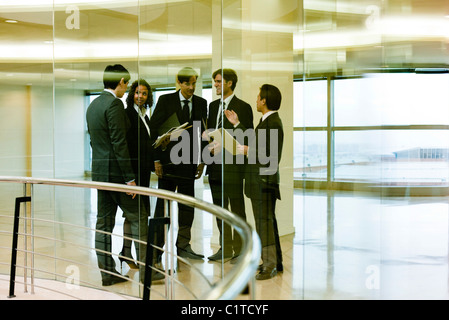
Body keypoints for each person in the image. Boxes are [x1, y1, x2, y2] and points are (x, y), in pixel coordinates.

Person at [86, 64, 148, 286]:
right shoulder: (114, 104)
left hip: (101, 174)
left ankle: (108, 274)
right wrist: (129, 178)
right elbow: (119, 143)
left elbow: (95, 142)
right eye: (127, 84)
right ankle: (149, 269)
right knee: (139, 217)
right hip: (117, 177)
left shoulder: (93, 105)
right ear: (121, 81)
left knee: (103, 224)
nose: (127, 89)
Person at [225, 84, 284, 280]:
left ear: (264, 100)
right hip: (260, 181)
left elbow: (270, 156)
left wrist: (246, 151)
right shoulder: (267, 121)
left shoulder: (273, 122)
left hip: (263, 182)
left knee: (264, 223)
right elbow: (256, 141)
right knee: (266, 222)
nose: (256, 100)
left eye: (258, 97)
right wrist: (237, 124)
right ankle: (274, 261)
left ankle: (270, 264)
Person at [149, 67, 207, 262]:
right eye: (188, 83)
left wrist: (202, 161)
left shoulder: (201, 103)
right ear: (179, 83)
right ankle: (156, 250)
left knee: (187, 207)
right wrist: (156, 159)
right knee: (162, 207)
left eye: (194, 83)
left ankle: (183, 246)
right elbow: (155, 130)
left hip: (188, 165)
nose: (191, 87)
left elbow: (202, 134)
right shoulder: (165, 100)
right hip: (167, 164)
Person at [203, 69, 253, 262]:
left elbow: (246, 137)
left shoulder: (244, 107)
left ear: (229, 83)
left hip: (233, 166)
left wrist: (222, 146)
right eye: (214, 82)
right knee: (220, 209)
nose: (215, 85)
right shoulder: (213, 105)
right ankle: (226, 248)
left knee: (237, 209)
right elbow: (213, 132)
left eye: (218, 81)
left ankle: (242, 249)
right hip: (215, 166)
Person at [119, 79, 154, 270]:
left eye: (144, 94)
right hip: (133, 173)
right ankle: (128, 253)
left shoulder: (144, 115)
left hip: (143, 173)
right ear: (132, 93)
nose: (140, 97)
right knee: (133, 214)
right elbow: (126, 145)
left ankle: (126, 253)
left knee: (135, 214)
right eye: (137, 93)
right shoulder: (128, 114)